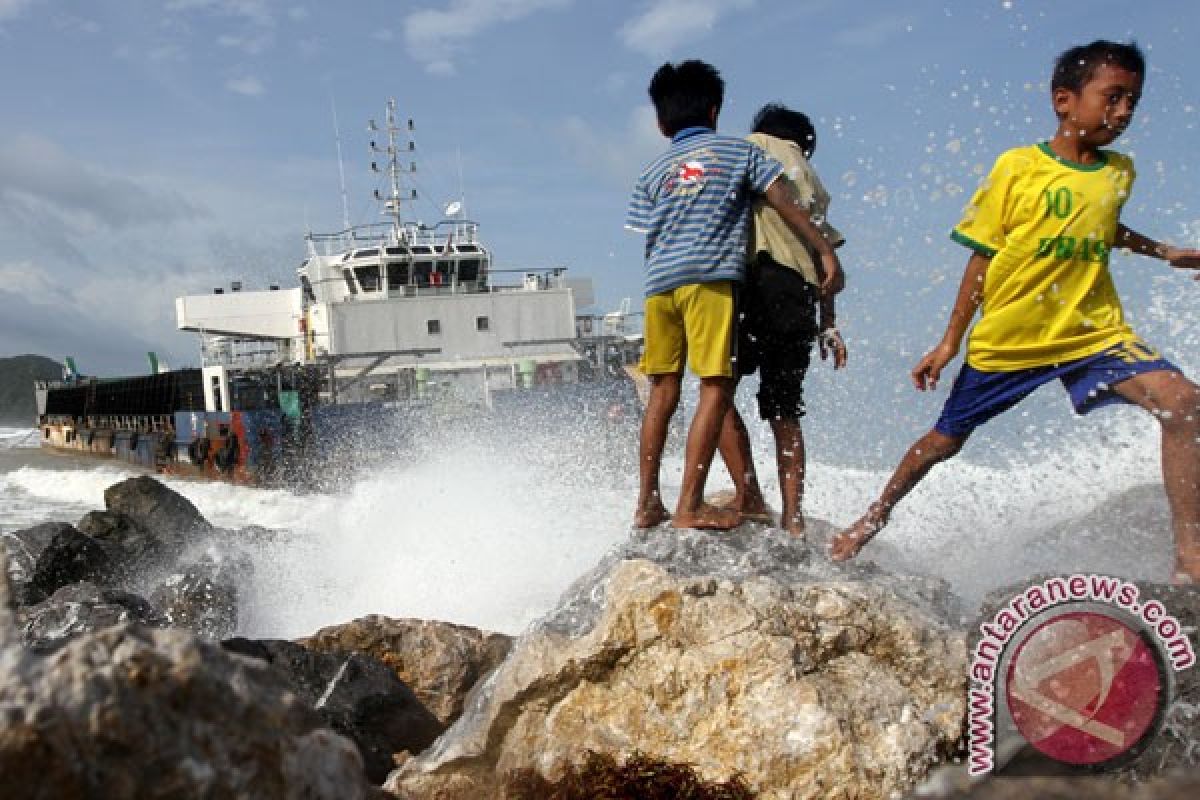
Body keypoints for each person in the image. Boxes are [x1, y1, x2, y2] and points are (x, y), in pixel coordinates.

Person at [829, 40, 1200, 583]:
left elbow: (1098, 224)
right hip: (1012, 339)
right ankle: (872, 517)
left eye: (1132, 102)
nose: (1122, 113)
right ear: (1064, 101)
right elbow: (983, 256)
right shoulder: (1018, 167)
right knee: (943, 442)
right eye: (1112, 97)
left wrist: (1162, 250)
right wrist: (950, 341)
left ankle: (1189, 558)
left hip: (1092, 332)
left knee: (1184, 402)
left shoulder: (1119, 172)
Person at [627, 60, 845, 530]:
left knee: (663, 391)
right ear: (715, 109)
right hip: (713, 281)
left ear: (661, 122)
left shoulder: (651, 171)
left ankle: (647, 501)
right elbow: (786, 202)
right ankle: (695, 505)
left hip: (658, 287)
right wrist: (826, 253)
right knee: (719, 386)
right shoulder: (736, 153)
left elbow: (646, 228)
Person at [716, 104, 848, 537]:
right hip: (797, 295)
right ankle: (793, 517)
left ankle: (749, 496)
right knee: (784, 409)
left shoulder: (749, 148)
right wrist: (829, 324)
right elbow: (827, 256)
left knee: (718, 393)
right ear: (804, 143)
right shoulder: (814, 181)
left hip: (748, 281)